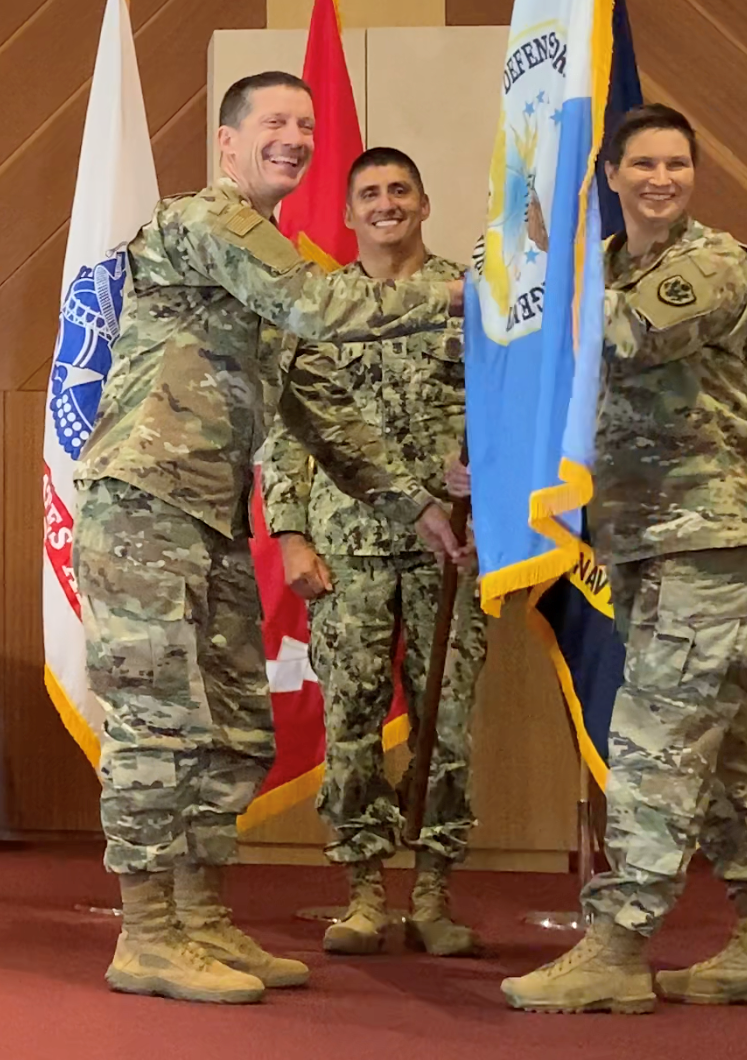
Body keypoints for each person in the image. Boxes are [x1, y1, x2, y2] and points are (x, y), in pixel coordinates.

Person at [72, 71, 469, 1006]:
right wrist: (465, 299)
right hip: (142, 507)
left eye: (306, 124)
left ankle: (202, 919)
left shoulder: (271, 261)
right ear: (228, 142)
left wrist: (413, 504)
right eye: (275, 123)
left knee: (234, 728)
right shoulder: (205, 224)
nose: (294, 137)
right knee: (157, 728)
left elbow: (321, 405)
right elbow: (325, 309)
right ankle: (147, 933)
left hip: (209, 517)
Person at [501, 104, 747, 1014]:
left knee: (654, 737)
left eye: (677, 162)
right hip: (638, 537)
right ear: (612, 175)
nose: (660, 178)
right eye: (643, 163)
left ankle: (619, 943)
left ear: (693, 174)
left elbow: (619, 338)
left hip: (712, 533)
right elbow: (556, 378)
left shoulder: (712, 265)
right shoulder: (597, 267)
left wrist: (538, 270)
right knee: (718, 742)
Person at [260, 148, 485, 958]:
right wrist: (289, 535)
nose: (386, 204)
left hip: (451, 545)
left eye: (400, 191)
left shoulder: (476, 300)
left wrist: (487, 477)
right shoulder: (320, 306)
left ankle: (433, 893)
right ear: (348, 215)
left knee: (444, 723)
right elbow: (287, 427)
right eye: (369, 195)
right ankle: (362, 892)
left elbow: (512, 410)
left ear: (425, 204)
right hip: (344, 545)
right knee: (351, 721)